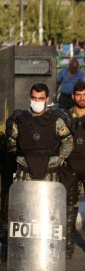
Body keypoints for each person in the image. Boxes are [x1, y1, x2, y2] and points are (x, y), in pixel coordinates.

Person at [7, 83, 73, 182]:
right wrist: (23, 159)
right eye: (34, 98)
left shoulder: (56, 120)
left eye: (41, 98)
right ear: (30, 98)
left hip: (50, 174)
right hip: (25, 174)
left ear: (47, 99)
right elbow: (11, 144)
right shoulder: (19, 119)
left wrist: (57, 160)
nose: (37, 101)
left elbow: (68, 143)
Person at [63, 81, 85, 258]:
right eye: (79, 94)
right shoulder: (66, 117)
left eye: (84, 94)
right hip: (71, 169)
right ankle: (68, 248)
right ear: (73, 96)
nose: (82, 98)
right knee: (70, 208)